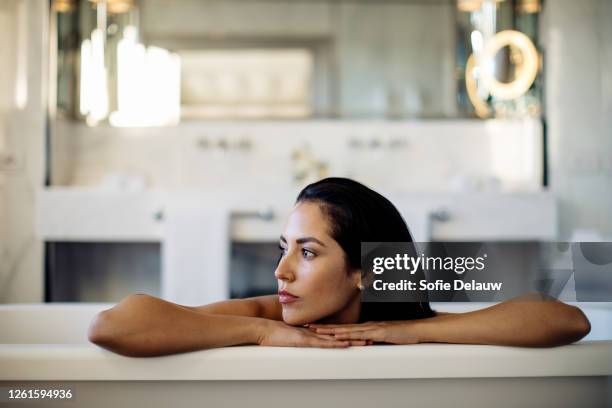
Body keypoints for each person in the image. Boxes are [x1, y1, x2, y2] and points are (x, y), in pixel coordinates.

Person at [88, 178, 591, 357]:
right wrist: (261, 335)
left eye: (307, 252)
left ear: (365, 270)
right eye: (284, 248)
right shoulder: (264, 313)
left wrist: (416, 331)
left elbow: (567, 319)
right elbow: (112, 326)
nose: (281, 271)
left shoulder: (395, 325)